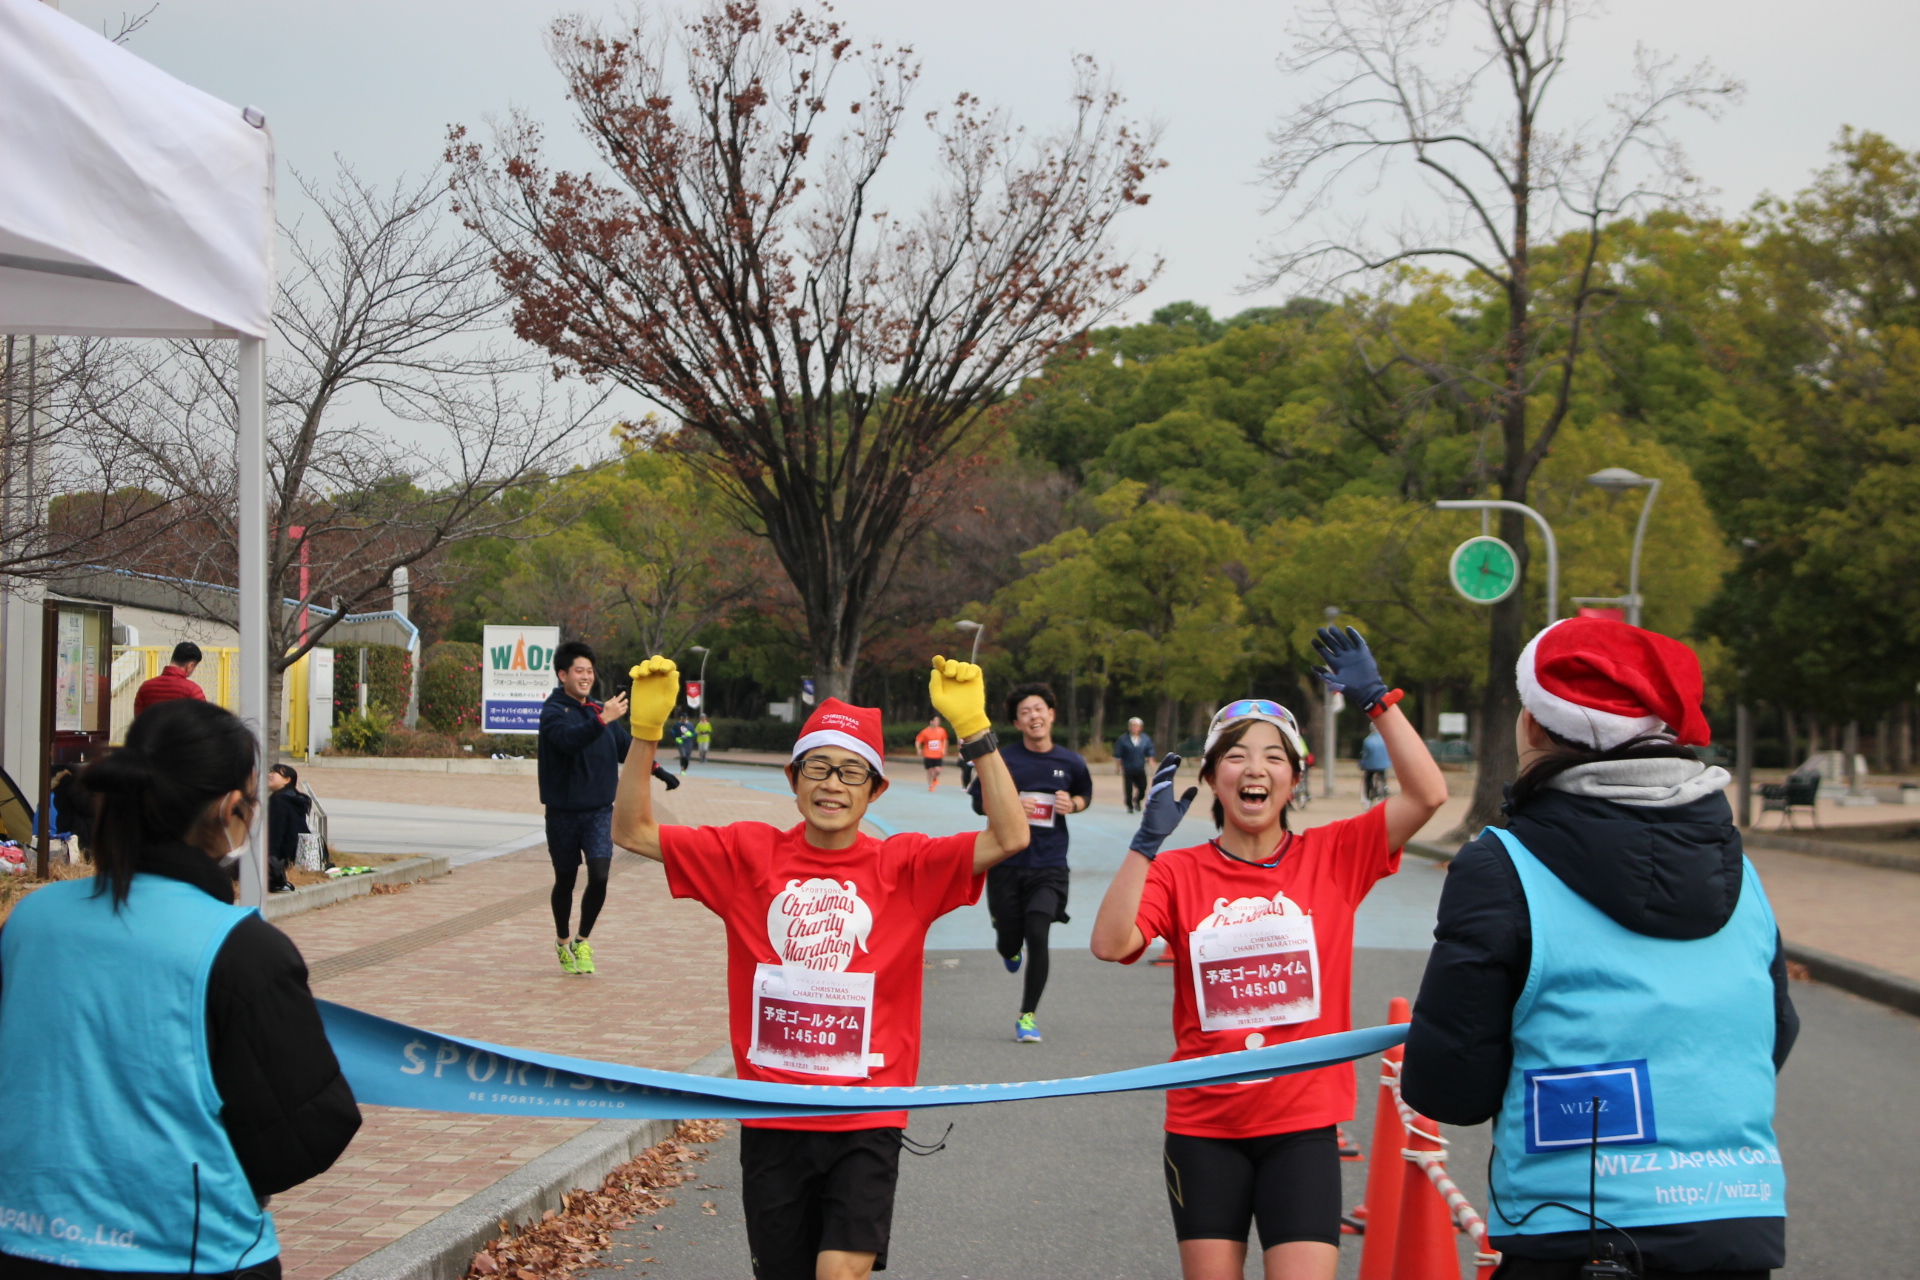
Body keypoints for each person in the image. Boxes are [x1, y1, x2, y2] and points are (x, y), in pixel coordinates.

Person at [1400, 618, 1797, 1280]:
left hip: (1574, 1231)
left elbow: (1450, 1088)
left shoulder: (1504, 866)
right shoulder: (1741, 873)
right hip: (1737, 1221)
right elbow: (1772, 1035)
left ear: (1532, 725)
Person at [612, 655, 1027, 1280]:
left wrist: (976, 732)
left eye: (852, 772)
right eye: (820, 767)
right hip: (772, 1115)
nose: (833, 784)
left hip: (867, 1116)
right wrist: (645, 734)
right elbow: (633, 829)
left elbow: (1010, 835)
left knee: (838, 1272)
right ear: (794, 777)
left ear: (876, 789)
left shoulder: (906, 867)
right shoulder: (746, 855)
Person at [1091, 626, 1446, 1280]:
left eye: (1273, 757)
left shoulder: (1335, 856)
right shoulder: (1177, 872)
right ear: (1210, 778)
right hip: (1203, 1127)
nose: (1254, 768)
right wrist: (1145, 846)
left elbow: (1428, 795)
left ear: (1294, 778)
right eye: (1235, 756)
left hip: (1304, 1125)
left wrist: (1377, 701)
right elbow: (1112, 944)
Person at [0, 698, 360, 1278]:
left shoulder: (30, 920)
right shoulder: (239, 948)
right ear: (228, 809)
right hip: (189, 1250)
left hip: (24, 1240)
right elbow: (310, 1126)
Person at [969, 682, 1092, 1044]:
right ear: (1018, 722)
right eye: (1026, 712)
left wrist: (1075, 804)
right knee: (1009, 937)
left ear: (1051, 715)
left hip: (1049, 864)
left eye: (1039, 709)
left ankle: (1027, 1015)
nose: (1034, 716)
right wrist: (1006, 805)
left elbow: (1084, 794)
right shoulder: (1004, 760)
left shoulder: (1071, 762)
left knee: (1038, 932)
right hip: (1006, 861)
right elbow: (979, 802)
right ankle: (1009, 948)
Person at [538, 640, 632, 977]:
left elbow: (628, 750)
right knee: (565, 880)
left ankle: (582, 939)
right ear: (563, 674)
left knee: (601, 875)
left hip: (599, 811)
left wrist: (660, 769)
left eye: (590, 671)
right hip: (562, 813)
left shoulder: (598, 710)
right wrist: (603, 718)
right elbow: (568, 740)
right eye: (579, 670)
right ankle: (562, 941)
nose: (586, 676)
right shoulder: (552, 712)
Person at [267, 762, 313, 893]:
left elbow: (275, 833)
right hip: (297, 856)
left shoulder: (278, 801)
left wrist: (271, 859)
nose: (270, 775)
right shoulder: (295, 799)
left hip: (283, 858)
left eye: (275, 773)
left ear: (287, 780)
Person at [132, 640, 208, 717]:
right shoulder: (193, 690)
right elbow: (204, 720)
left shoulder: (145, 687)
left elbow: (138, 720)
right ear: (190, 666)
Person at [1115, 716, 1156, 814]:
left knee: (1143, 787)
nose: (1133, 728)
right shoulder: (1123, 739)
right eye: (1132, 726)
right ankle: (1129, 805)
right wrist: (1118, 767)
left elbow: (1150, 750)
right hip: (1128, 768)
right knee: (1128, 788)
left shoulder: (1145, 739)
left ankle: (1137, 800)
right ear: (1129, 727)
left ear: (1140, 728)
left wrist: (1151, 760)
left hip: (1140, 767)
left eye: (1136, 726)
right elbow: (1118, 754)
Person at [914, 714, 949, 791]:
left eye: (938, 721)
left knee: (938, 770)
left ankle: (935, 778)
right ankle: (930, 785)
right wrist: (918, 749)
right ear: (931, 722)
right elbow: (918, 741)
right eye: (935, 721)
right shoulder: (925, 732)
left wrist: (944, 749)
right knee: (929, 770)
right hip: (928, 754)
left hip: (938, 754)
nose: (937, 722)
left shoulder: (941, 730)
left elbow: (945, 740)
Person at [1358, 725, 1391, 803]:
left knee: (1368, 777)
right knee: (1382, 774)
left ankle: (1369, 793)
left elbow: (1365, 754)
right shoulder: (1386, 739)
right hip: (1384, 763)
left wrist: (1362, 764)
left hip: (1371, 764)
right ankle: (1384, 787)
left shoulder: (1368, 740)